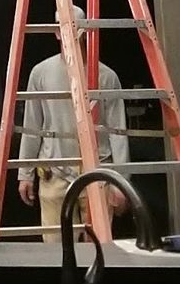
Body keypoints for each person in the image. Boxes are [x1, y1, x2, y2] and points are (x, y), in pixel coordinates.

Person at [15, 50, 128, 241]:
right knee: (57, 249)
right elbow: (32, 126)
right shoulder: (41, 72)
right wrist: (25, 173)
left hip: (97, 173)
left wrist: (121, 181)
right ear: (56, 34)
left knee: (98, 248)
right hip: (55, 173)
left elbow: (117, 131)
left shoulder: (106, 76)